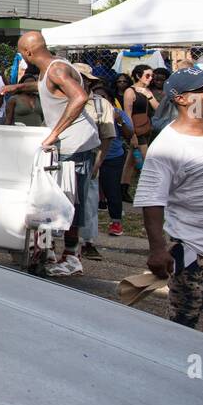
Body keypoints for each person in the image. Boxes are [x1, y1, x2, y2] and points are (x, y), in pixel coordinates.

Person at [134, 68, 203, 343]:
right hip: (198, 255)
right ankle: (184, 380)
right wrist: (158, 250)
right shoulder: (168, 146)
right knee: (183, 333)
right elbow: (152, 200)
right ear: (182, 99)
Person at [1, 31, 100, 277]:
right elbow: (45, 88)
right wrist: (18, 86)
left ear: (28, 53)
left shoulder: (56, 69)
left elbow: (79, 96)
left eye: (21, 54)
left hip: (75, 145)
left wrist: (55, 132)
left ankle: (72, 257)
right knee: (47, 200)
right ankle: (45, 251)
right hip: (62, 145)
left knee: (69, 201)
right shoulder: (51, 69)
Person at [74, 64, 117, 261]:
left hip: (89, 157)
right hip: (61, 155)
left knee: (88, 201)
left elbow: (107, 137)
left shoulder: (101, 105)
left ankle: (87, 242)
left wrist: (98, 163)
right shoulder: (61, 100)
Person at [99, 86, 133, 237]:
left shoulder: (118, 114)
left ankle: (116, 222)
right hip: (91, 156)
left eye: (103, 97)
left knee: (112, 190)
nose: (99, 100)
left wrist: (120, 122)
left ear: (111, 100)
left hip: (112, 157)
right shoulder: (87, 112)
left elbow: (129, 135)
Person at [122, 63, 158, 201]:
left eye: (151, 76)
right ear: (138, 76)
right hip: (136, 130)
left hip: (145, 128)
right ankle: (150, 190)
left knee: (131, 161)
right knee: (146, 159)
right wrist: (132, 135)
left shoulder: (147, 91)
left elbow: (158, 108)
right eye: (147, 75)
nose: (150, 78)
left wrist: (148, 95)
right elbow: (127, 114)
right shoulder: (130, 92)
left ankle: (123, 189)